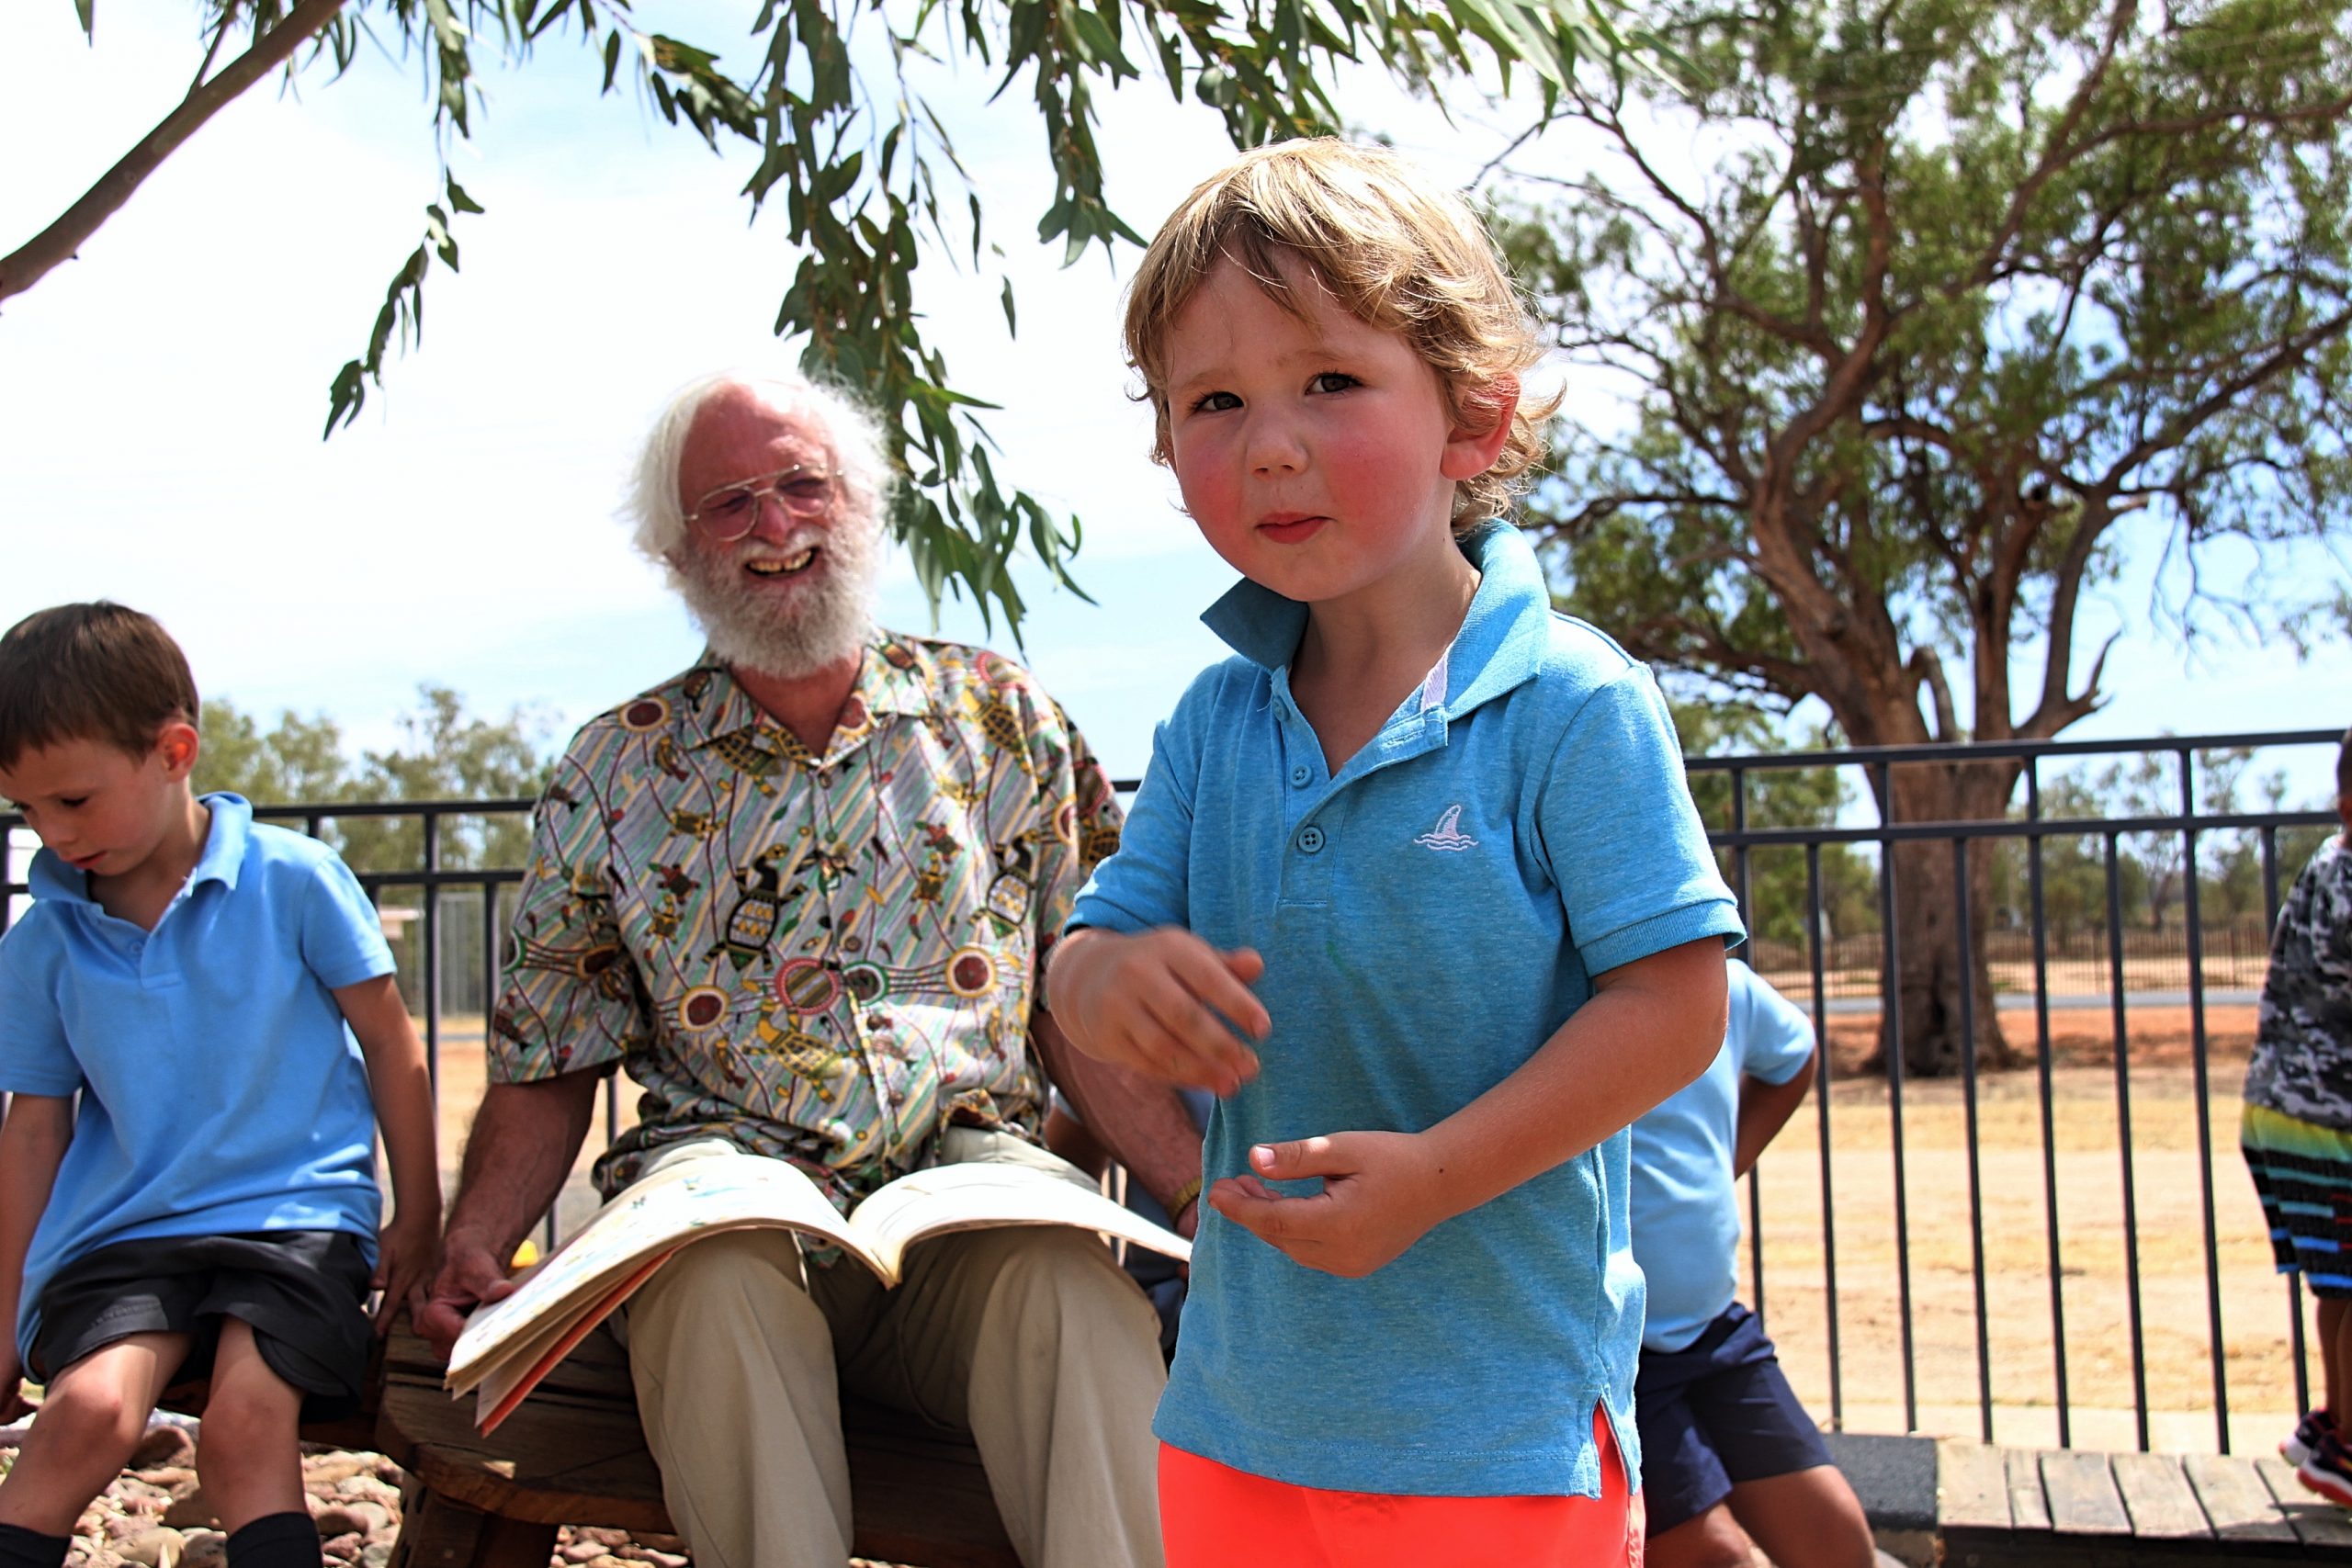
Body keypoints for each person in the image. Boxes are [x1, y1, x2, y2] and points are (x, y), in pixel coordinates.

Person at [1046, 139, 1747, 1568]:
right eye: (1214, 401)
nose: (1271, 444)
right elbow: (1079, 964)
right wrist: (1109, 978)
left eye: (1330, 381)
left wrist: (1431, 1176)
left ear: (1474, 419)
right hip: (1232, 1426)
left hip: (1497, 1442)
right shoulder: (1210, 720)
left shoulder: (1572, 704)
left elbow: (1678, 1006)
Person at [416, 369, 1196, 1568]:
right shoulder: (614, 771)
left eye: (800, 484)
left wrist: (1193, 1190)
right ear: (676, 554)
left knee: (1070, 1287)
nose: (775, 526)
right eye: (728, 505)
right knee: (720, 1278)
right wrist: (479, 1237)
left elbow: (1075, 999)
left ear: (864, 506)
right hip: (725, 1213)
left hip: (961, 1205)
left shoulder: (997, 717)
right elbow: (547, 1047)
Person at [0, 603, 439, 1568]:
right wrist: (1, 1328)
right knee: (83, 1412)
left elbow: (390, 1042)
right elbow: (36, 1130)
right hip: (126, 1234)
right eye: (24, 811)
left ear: (174, 750)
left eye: (71, 801)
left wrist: (421, 1216)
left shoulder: (296, 878)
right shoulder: (40, 943)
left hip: (295, 1218)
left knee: (245, 1426)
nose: (49, 834)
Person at [1628, 960, 1876, 1568]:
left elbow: (1793, 1055)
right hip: (1616, 1355)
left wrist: (1723, 1163)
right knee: (1717, 1555)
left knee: (1839, 1543)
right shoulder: (1562, 993)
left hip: (1715, 1333)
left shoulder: (1723, 982)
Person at [2241, 726, 2352, 1506]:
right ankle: (2344, 1447)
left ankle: (2333, 1427)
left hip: (2292, 1110)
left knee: (2341, 1284)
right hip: (2328, 1110)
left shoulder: (2328, 862)